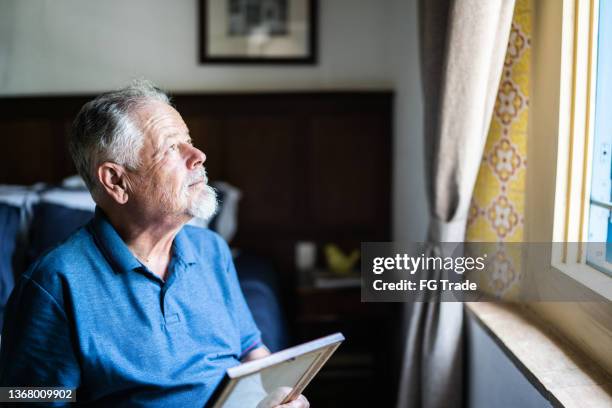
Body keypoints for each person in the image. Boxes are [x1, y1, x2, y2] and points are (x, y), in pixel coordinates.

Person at [0, 80, 309, 408]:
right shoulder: (55, 281)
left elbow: (251, 351)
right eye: (171, 148)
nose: (198, 156)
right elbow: (25, 399)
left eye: (188, 142)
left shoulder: (212, 249)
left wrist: (279, 396)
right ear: (117, 181)